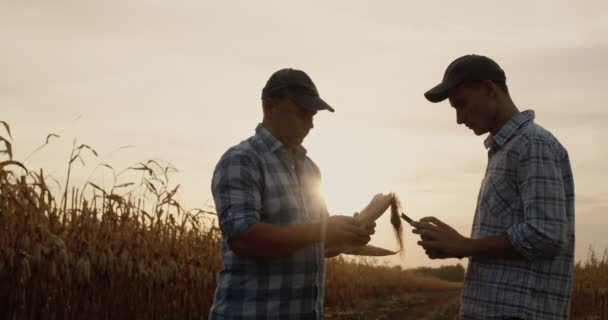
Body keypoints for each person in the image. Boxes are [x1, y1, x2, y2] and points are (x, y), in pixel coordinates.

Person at [413, 54, 575, 320]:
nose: (459, 118)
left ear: (490, 89)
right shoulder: (506, 150)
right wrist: (457, 247)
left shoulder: (533, 144)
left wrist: (466, 246)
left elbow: (546, 234)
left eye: (462, 105)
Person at [209, 68, 375, 320]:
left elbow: (318, 244)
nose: (310, 124)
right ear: (269, 108)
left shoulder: (310, 169)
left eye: (313, 116)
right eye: (301, 114)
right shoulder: (242, 160)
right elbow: (244, 239)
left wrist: (346, 235)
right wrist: (322, 229)